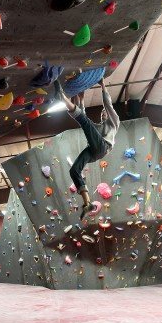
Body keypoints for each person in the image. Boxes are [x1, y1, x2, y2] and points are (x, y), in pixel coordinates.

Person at [53, 78, 120, 220]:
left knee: (85, 122)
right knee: (74, 170)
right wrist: (81, 100)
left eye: (104, 112)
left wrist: (103, 86)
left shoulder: (114, 122)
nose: (103, 114)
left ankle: (62, 97)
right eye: (102, 113)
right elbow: (83, 118)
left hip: (103, 147)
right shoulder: (97, 128)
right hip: (95, 151)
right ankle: (87, 202)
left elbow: (107, 105)